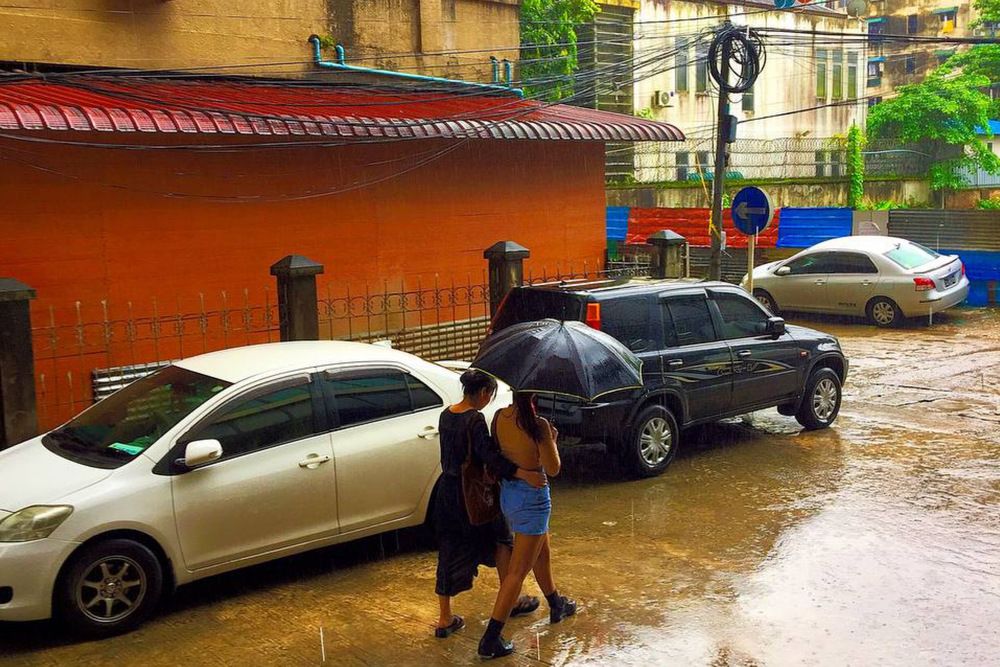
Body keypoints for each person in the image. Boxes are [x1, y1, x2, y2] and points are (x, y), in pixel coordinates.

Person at [434, 370, 547, 639]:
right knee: (501, 539)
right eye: (490, 395)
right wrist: (522, 472)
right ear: (484, 393)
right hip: (472, 496)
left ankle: (444, 617)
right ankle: (514, 599)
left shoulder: (446, 414)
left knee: (449, 549)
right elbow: (489, 458)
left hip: (447, 492)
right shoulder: (475, 420)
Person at [478, 392, 576, 659]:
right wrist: (552, 440)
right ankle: (490, 639)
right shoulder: (538, 425)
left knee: (542, 551)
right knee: (517, 572)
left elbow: (502, 455)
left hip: (510, 495)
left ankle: (556, 603)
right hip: (533, 500)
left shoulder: (500, 417)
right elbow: (553, 468)